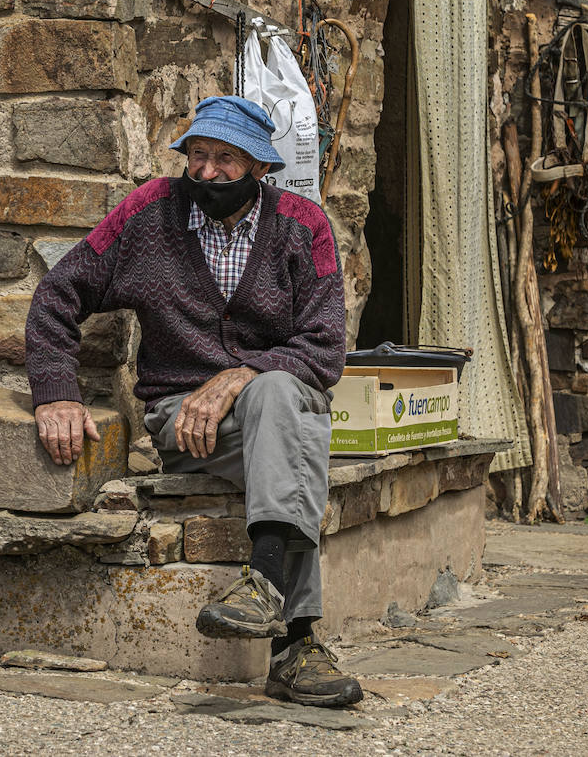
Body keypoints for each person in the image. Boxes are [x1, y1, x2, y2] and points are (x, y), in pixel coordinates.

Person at [25, 95, 362, 708]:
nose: (206, 172)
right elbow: (58, 293)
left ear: (260, 169)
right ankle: (297, 644)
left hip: (273, 408)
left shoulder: (304, 226)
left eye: (225, 159)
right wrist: (55, 393)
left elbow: (325, 349)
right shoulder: (149, 211)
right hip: (182, 421)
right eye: (197, 155)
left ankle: (262, 584)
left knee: (284, 403)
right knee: (299, 442)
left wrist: (240, 374)